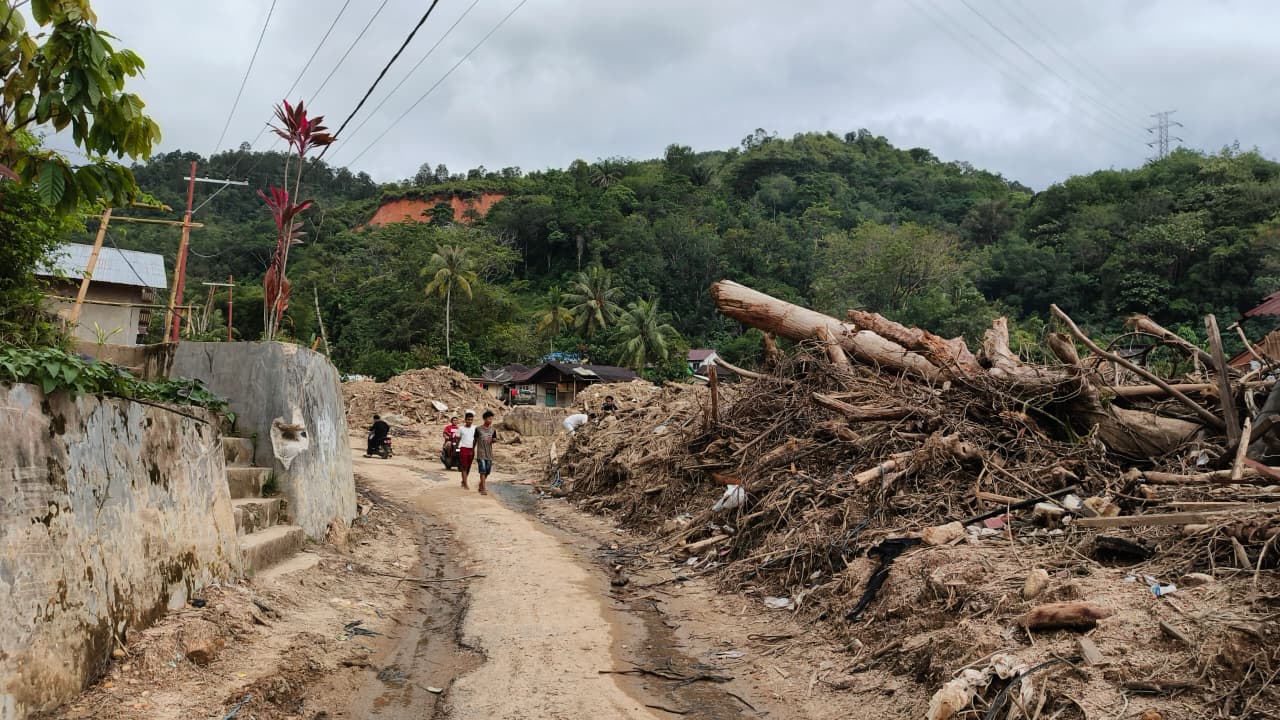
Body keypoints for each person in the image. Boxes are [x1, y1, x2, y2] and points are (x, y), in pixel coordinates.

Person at [474, 410, 500, 495]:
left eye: (491, 419)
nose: (490, 420)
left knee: (488, 471)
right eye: (489, 419)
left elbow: (495, 439)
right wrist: (472, 449)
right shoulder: (478, 429)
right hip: (481, 453)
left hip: (489, 453)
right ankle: (483, 489)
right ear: (484, 419)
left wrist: (493, 440)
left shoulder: (493, 430)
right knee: (483, 470)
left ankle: (481, 484)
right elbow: (475, 440)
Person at [456, 410, 478, 489]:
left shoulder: (475, 428)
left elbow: (476, 440)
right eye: (468, 419)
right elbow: (457, 440)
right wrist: (457, 450)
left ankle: (463, 481)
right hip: (463, 449)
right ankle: (466, 484)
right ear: (465, 420)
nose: (470, 421)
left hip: (471, 449)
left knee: (468, 467)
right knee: (464, 467)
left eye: (471, 420)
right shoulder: (461, 429)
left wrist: (473, 449)